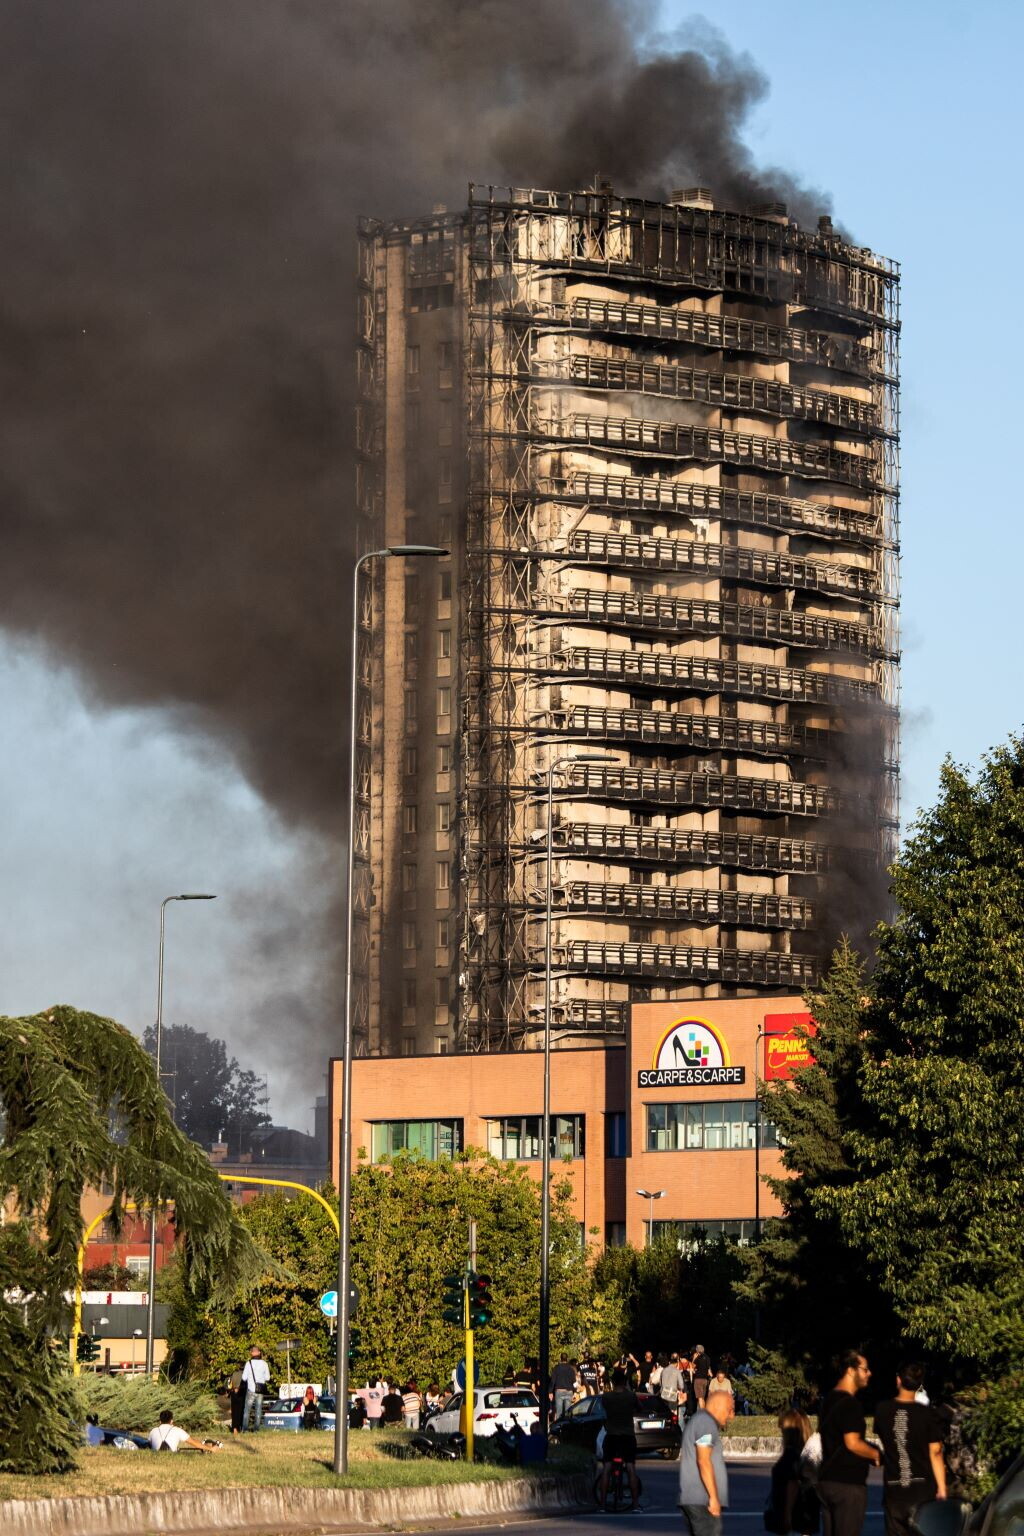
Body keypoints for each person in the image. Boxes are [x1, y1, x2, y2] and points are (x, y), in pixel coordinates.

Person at [873, 1363, 947, 1536]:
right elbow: (935, 1452)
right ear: (919, 1384)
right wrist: (942, 1487)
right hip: (923, 1491)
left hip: (894, 1490)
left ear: (898, 1380)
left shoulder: (882, 1410)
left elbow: (885, 1440)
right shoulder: (927, 1414)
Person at [817, 1350, 882, 1536]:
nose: (869, 1373)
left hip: (827, 1481)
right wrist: (876, 1454)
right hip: (847, 1485)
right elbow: (852, 1443)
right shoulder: (850, 1404)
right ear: (851, 1371)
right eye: (865, 1369)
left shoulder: (828, 1400)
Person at [678, 1382, 734, 1536]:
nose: (731, 1416)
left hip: (697, 1499)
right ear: (718, 1407)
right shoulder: (706, 1423)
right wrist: (714, 1497)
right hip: (702, 1500)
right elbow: (703, 1461)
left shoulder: (701, 1420)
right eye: (729, 1409)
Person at [767, 1410, 820, 1536]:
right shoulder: (807, 1454)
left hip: (794, 1520)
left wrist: (787, 1516)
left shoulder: (791, 1455)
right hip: (805, 1518)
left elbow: (792, 1485)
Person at [597, 1366, 641, 1509]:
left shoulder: (607, 1397)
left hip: (611, 1435)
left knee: (607, 1467)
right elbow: (639, 1407)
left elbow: (604, 1409)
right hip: (627, 1436)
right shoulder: (631, 1396)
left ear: (613, 1382)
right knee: (630, 1467)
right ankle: (635, 1504)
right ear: (625, 1381)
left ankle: (602, 1504)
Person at [148, 1409, 220, 1453]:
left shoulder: (153, 1431)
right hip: (171, 1457)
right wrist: (210, 1448)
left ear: (160, 1421)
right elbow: (194, 1443)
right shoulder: (177, 1430)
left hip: (155, 1456)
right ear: (172, 1421)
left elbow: (149, 1445)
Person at [241, 1346, 271, 1433]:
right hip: (260, 1390)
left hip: (251, 1389)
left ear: (251, 1353)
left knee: (247, 1410)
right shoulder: (264, 1364)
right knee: (258, 1410)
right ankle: (256, 1430)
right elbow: (268, 1378)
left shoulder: (248, 1363)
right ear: (259, 1353)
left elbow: (244, 1378)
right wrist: (261, 1378)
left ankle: (245, 1429)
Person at [550, 1355, 577, 1422]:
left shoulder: (556, 1368)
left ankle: (559, 1426)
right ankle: (566, 1426)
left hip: (559, 1391)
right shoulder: (571, 1369)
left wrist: (550, 1392)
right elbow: (574, 1382)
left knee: (559, 1413)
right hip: (569, 1392)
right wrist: (575, 1391)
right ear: (567, 1359)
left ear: (561, 1359)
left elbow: (553, 1381)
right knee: (567, 1413)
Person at [227, 1365, 246, 1436]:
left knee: (234, 1412)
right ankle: (238, 1428)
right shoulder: (244, 1374)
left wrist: (233, 1389)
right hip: (241, 1393)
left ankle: (234, 1428)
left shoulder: (234, 1373)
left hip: (233, 1393)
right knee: (240, 1411)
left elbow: (229, 1384)